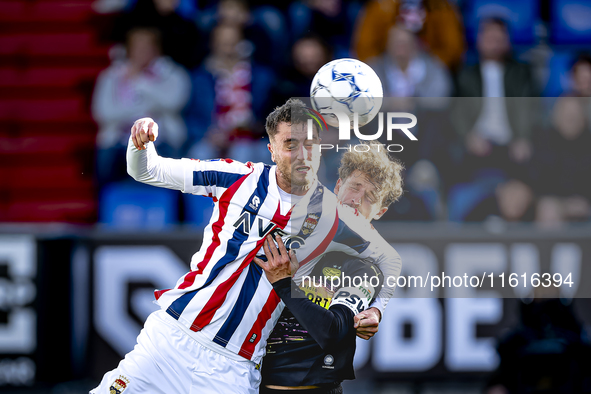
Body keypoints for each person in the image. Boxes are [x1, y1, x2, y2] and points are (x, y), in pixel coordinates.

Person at [91, 99, 401, 393]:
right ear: (272, 150)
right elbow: (146, 169)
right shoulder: (237, 178)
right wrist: (139, 144)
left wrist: (377, 308)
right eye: (291, 145)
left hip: (233, 367)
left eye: (310, 144)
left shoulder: (337, 216)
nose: (303, 154)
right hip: (170, 339)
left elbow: (389, 260)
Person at [259, 143, 404, 393]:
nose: (357, 199)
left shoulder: (366, 268)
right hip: (253, 382)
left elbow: (333, 332)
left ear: (380, 212)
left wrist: (377, 310)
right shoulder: (300, 216)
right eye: (354, 187)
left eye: (370, 197)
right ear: (337, 186)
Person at [91, 27, 190, 186]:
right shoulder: (111, 76)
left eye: (147, 47)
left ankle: (174, 207)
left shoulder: (173, 73)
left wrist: (143, 83)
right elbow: (103, 114)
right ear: (128, 49)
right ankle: (104, 204)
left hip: (162, 140)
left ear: (157, 49)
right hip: (119, 139)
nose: (142, 51)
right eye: (137, 47)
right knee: (105, 160)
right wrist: (145, 108)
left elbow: (173, 103)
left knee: (175, 161)